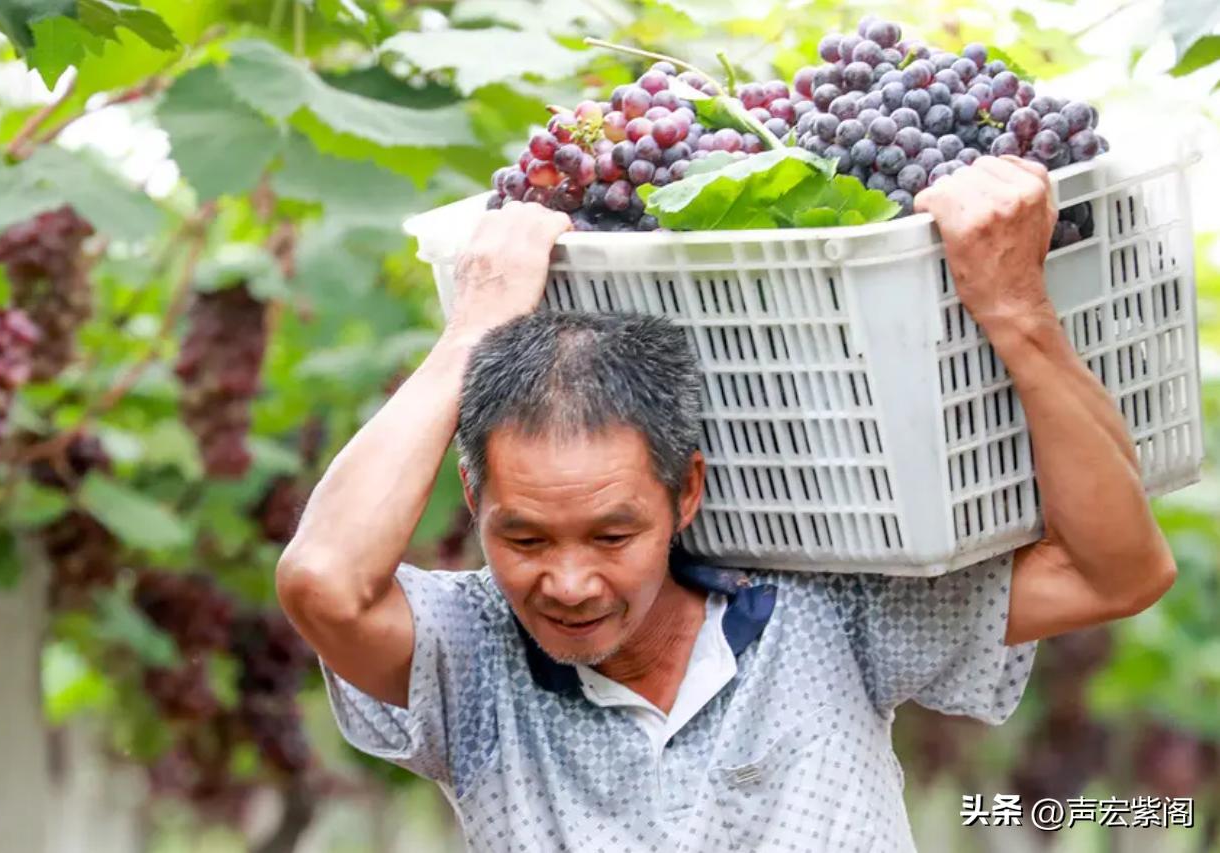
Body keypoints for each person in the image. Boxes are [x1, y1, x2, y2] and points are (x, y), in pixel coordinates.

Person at [276, 155, 1176, 852]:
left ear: (686, 492)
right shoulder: (468, 660)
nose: (569, 580)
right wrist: (472, 328)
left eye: (613, 532)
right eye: (523, 536)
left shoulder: (825, 611)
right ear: (474, 497)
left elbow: (1117, 571)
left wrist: (1015, 309)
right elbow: (323, 580)